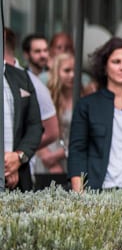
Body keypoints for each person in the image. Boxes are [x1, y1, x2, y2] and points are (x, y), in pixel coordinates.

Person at [67, 37, 122, 192]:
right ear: (105, 66)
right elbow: (77, 151)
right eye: (116, 62)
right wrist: (78, 194)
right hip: (98, 191)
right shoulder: (87, 105)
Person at [3, 39, 44, 191]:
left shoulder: (21, 77)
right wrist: (6, 164)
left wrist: (18, 158)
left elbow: (35, 126)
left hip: (19, 181)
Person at [35, 52, 76, 189]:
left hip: (70, 156)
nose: (72, 75)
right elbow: (36, 129)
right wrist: (50, 160)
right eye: (67, 70)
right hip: (46, 154)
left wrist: (62, 154)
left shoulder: (82, 96)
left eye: (75, 70)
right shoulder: (47, 96)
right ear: (56, 72)